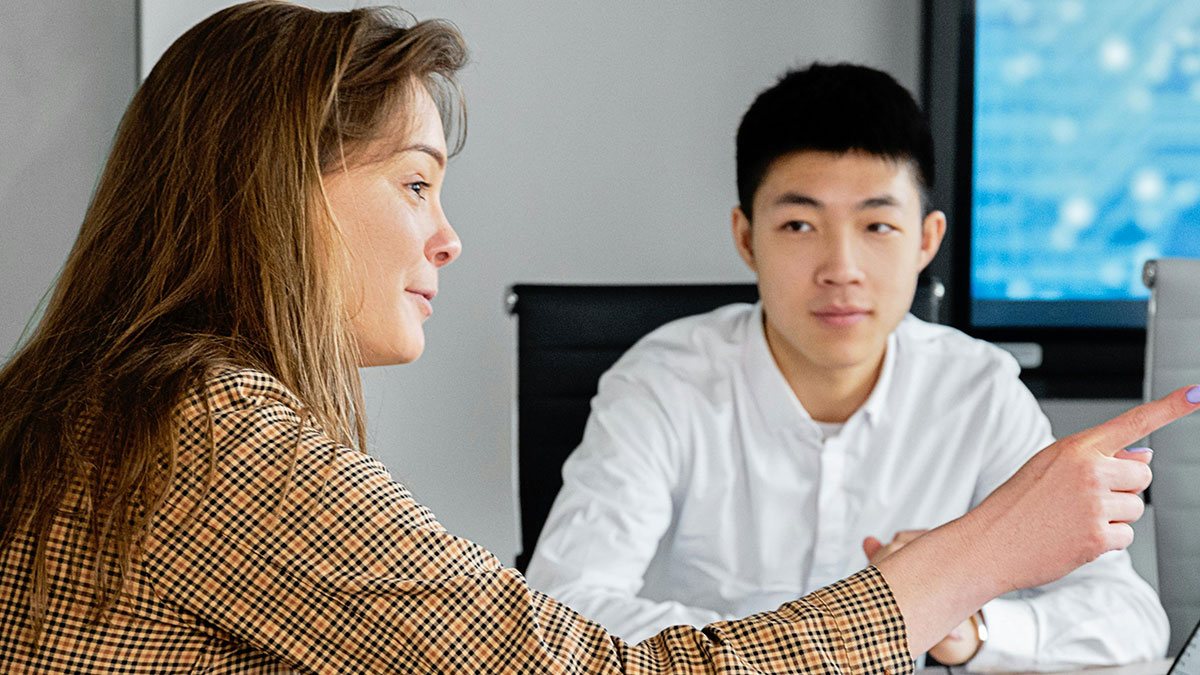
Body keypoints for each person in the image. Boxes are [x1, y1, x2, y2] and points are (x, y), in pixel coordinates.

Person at [0, 3, 1192, 672]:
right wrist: (976, 556)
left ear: (926, 239)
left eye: (878, 226)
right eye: (416, 184)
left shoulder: (141, 408)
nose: (449, 239)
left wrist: (974, 614)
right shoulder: (208, 437)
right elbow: (584, 658)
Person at [525, 63, 1169, 670]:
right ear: (746, 237)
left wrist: (970, 628)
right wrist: (870, 624)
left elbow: (1129, 616)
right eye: (801, 225)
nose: (841, 268)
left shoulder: (977, 390)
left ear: (926, 241)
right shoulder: (663, 384)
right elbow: (560, 611)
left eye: (877, 227)